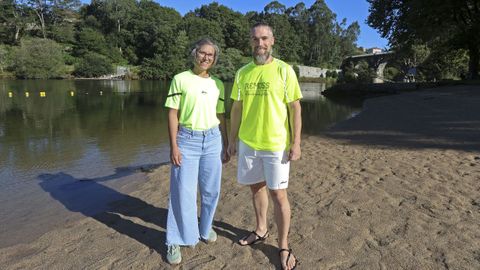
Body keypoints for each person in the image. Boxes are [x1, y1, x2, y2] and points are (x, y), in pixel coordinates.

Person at [228, 22, 302, 270]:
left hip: (276, 144)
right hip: (248, 143)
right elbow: (236, 108)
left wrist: (296, 142)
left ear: (272, 41)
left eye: (264, 39)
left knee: (278, 194)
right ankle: (260, 230)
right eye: (255, 39)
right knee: (256, 189)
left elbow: (295, 108)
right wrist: (231, 140)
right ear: (250, 42)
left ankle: (283, 245)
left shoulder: (284, 70)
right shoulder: (242, 72)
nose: (259, 44)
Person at [164, 38, 228, 265]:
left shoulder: (218, 84)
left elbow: (221, 116)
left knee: (211, 191)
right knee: (183, 192)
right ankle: (174, 239)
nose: (206, 58)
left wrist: (226, 143)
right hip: (187, 140)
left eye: (210, 55)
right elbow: (172, 113)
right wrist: (174, 145)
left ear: (214, 58)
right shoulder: (180, 79)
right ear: (195, 54)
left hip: (213, 140)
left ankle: (204, 228)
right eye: (203, 53)